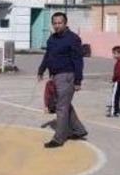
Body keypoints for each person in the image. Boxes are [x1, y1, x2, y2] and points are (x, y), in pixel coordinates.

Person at [37, 12, 88, 148]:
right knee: (65, 105)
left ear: (65, 23)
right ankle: (79, 130)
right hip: (55, 76)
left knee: (61, 107)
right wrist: (41, 70)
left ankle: (58, 139)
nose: (57, 25)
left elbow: (78, 60)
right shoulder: (52, 38)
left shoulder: (73, 39)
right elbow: (48, 55)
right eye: (55, 23)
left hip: (67, 76)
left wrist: (78, 80)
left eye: (60, 23)